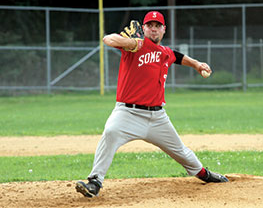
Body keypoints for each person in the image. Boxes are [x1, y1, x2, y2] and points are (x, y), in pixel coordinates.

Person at [76, 11, 228, 198]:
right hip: (127, 114)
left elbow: (178, 56)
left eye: (157, 26)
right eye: (150, 25)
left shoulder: (164, 52)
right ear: (144, 28)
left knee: (180, 151)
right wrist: (129, 42)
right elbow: (108, 39)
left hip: (157, 118)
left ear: (164, 30)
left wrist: (197, 64)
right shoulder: (136, 45)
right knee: (110, 132)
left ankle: (204, 174)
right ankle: (94, 182)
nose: (154, 29)